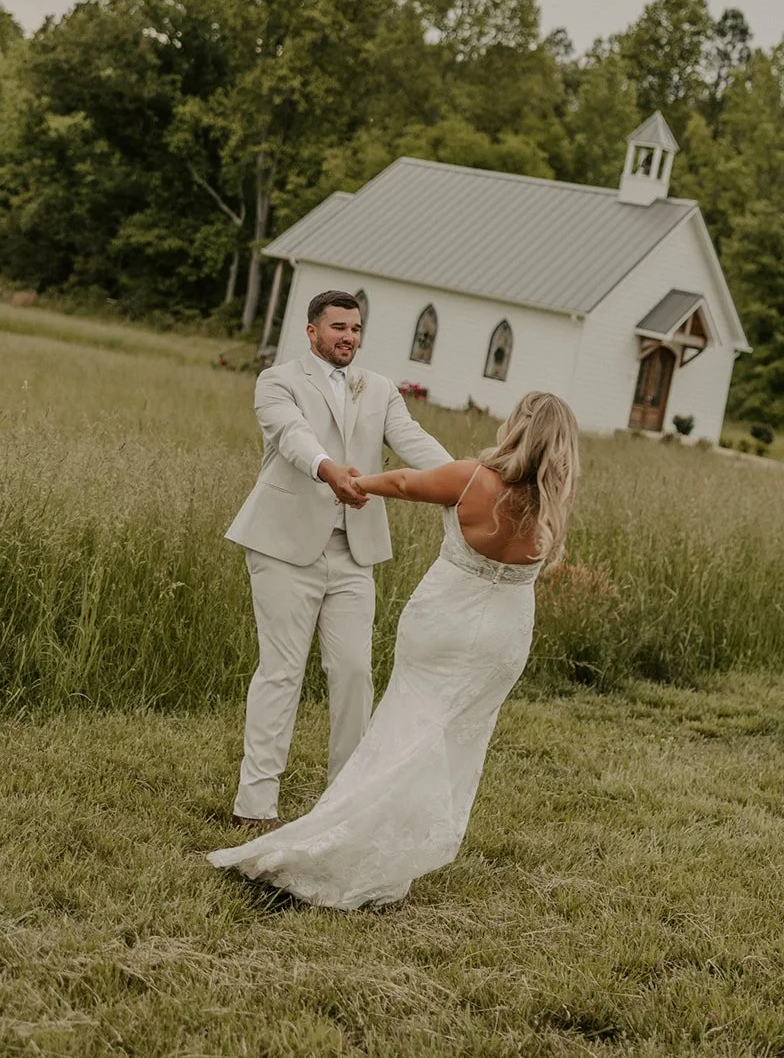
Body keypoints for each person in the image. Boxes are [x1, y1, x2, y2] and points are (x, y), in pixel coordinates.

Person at [208, 390, 580, 909]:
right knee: (449, 744)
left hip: (444, 623)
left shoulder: (473, 477)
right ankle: (396, 852)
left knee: (403, 730)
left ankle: (345, 841)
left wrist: (356, 482)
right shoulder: (555, 500)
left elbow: (405, 481)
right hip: (504, 638)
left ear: (517, 425)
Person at [226, 289, 451, 829]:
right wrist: (330, 470)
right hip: (284, 548)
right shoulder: (277, 381)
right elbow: (293, 437)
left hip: (355, 552)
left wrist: (470, 480)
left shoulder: (379, 388)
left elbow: (412, 441)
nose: (348, 337)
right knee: (281, 673)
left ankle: (342, 803)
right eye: (338, 328)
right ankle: (254, 808)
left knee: (353, 672)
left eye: (355, 328)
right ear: (312, 332)